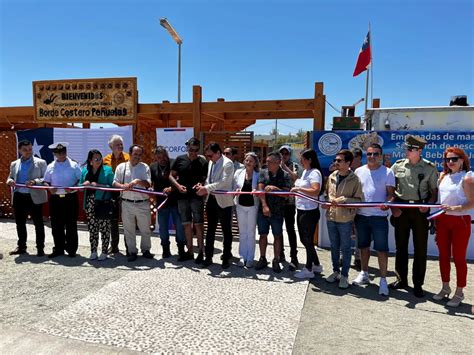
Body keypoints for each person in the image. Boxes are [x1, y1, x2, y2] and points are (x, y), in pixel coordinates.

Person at [389, 135, 438, 297]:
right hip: (401, 209)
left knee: (420, 249)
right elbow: (391, 190)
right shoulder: (398, 166)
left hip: (420, 211)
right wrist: (393, 208)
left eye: (410, 149)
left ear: (420, 151)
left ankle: (418, 283)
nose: (407, 151)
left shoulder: (429, 168)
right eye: (406, 148)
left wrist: (428, 205)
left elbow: (434, 192)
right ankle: (401, 279)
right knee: (400, 247)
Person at [352, 144, 395, 296]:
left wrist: (387, 204)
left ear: (381, 155)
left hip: (379, 218)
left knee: (382, 250)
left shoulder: (388, 172)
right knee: (363, 247)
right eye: (369, 154)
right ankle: (364, 273)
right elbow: (355, 193)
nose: (372, 156)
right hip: (361, 216)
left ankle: (383, 281)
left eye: (375, 154)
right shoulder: (359, 171)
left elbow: (391, 195)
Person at [433, 147, 473, 307]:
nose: (450, 162)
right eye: (448, 159)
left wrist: (456, 209)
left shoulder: (468, 177)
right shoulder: (443, 176)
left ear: (462, 160)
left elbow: (472, 202)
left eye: (454, 159)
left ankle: (459, 291)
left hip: (460, 221)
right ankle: (445, 287)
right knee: (443, 256)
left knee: (459, 258)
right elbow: (439, 201)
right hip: (443, 221)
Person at [323, 149, 363, 289]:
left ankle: (345, 275)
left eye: (339, 160)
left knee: (345, 248)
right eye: (335, 160)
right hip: (331, 217)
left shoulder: (355, 179)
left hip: (345, 220)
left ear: (348, 163)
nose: (336, 163)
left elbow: (359, 200)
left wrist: (345, 200)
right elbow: (327, 194)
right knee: (334, 247)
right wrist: (327, 202)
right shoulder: (332, 176)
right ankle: (336, 272)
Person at [196, 142, 234, 268]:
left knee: (226, 231)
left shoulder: (228, 163)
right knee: (210, 230)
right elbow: (209, 179)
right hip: (211, 200)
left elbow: (224, 182)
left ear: (218, 152)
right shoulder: (212, 162)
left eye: (210, 156)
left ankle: (226, 257)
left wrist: (206, 188)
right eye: (207, 156)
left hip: (224, 201)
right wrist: (203, 186)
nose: (208, 158)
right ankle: (208, 257)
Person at [113, 144, 154, 262]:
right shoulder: (121, 167)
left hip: (142, 202)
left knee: (145, 228)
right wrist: (123, 186)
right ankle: (132, 251)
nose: (137, 157)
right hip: (127, 203)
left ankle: (146, 250)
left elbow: (148, 184)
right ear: (130, 154)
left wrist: (137, 181)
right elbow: (114, 183)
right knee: (128, 229)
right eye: (135, 154)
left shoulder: (144, 167)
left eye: (140, 155)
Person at [6, 139, 47, 256]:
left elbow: (46, 178)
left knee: (38, 223)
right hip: (19, 196)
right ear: (19, 150)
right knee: (20, 223)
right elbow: (10, 177)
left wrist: (35, 181)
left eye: (30, 149)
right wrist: (10, 181)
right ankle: (21, 247)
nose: (28, 152)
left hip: (34, 196)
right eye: (25, 150)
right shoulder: (14, 164)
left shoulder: (41, 162)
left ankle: (40, 248)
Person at [170, 137, 208, 262]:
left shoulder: (203, 162)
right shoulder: (180, 159)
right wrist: (177, 186)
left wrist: (201, 184)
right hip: (182, 197)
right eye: (191, 149)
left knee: (199, 225)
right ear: (187, 147)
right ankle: (190, 251)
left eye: (196, 150)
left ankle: (201, 252)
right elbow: (171, 175)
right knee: (186, 224)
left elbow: (205, 178)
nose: (193, 152)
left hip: (196, 197)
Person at [43, 142, 82, 258]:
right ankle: (58, 248)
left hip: (70, 198)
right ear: (55, 154)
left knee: (71, 225)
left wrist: (73, 187)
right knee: (56, 225)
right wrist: (49, 188)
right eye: (59, 153)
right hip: (56, 199)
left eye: (64, 152)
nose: (62, 155)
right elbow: (46, 181)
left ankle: (71, 249)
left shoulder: (74, 165)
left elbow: (81, 180)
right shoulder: (50, 166)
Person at [255, 151, 291, 273]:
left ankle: (276, 260)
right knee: (262, 234)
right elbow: (260, 190)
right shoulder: (263, 173)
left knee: (277, 236)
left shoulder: (285, 175)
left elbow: (287, 194)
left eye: (270, 162)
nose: (267, 164)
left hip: (278, 211)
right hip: (263, 210)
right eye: (267, 161)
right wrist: (264, 206)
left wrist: (275, 189)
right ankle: (262, 258)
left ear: (278, 162)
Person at [291, 149, 324, 279]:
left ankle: (308, 268)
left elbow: (315, 191)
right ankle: (316, 264)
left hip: (309, 211)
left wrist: (299, 189)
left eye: (303, 159)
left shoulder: (315, 173)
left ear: (309, 159)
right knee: (305, 240)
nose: (300, 161)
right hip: (301, 209)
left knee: (307, 240)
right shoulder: (305, 172)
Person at [150, 146, 186, 259]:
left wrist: (172, 188)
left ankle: (181, 249)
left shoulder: (174, 163)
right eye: (159, 157)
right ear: (155, 157)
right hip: (162, 203)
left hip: (176, 202)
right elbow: (151, 181)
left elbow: (181, 179)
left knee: (179, 228)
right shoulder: (152, 167)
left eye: (164, 156)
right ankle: (165, 249)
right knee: (162, 228)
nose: (162, 159)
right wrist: (150, 187)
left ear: (167, 155)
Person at [80, 149, 114, 261]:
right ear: (90, 161)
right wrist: (83, 184)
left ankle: (104, 251)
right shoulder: (85, 171)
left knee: (105, 227)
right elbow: (79, 187)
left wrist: (99, 185)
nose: (99, 160)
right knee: (92, 228)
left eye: (100, 158)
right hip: (90, 202)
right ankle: (93, 251)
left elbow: (113, 187)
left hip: (103, 202)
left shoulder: (108, 170)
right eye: (96, 158)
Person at [103, 134, 130, 254]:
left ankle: (129, 247)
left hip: (126, 192)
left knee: (127, 221)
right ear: (111, 146)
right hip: (111, 194)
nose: (120, 146)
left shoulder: (128, 158)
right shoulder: (105, 159)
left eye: (121, 144)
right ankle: (114, 246)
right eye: (117, 144)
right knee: (112, 221)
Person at [233, 152, 260, 268]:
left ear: (255, 163)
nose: (248, 163)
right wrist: (236, 191)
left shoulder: (258, 175)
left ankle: (250, 258)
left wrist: (257, 191)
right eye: (246, 160)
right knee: (242, 232)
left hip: (252, 206)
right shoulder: (238, 173)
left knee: (251, 232)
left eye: (250, 161)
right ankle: (242, 256)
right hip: (240, 205)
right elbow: (234, 187)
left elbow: (260, 189)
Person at [279, 145, 300, 271]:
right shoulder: (275, 163)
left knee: (290, 229)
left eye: (286, 153)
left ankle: (294, 256)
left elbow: (295, 177)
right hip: (278, 202)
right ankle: (280, 253)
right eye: (282, 153)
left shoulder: (294, 165)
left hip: (290, 203)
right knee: (277, 229)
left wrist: (284, 167)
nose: (284, 156)